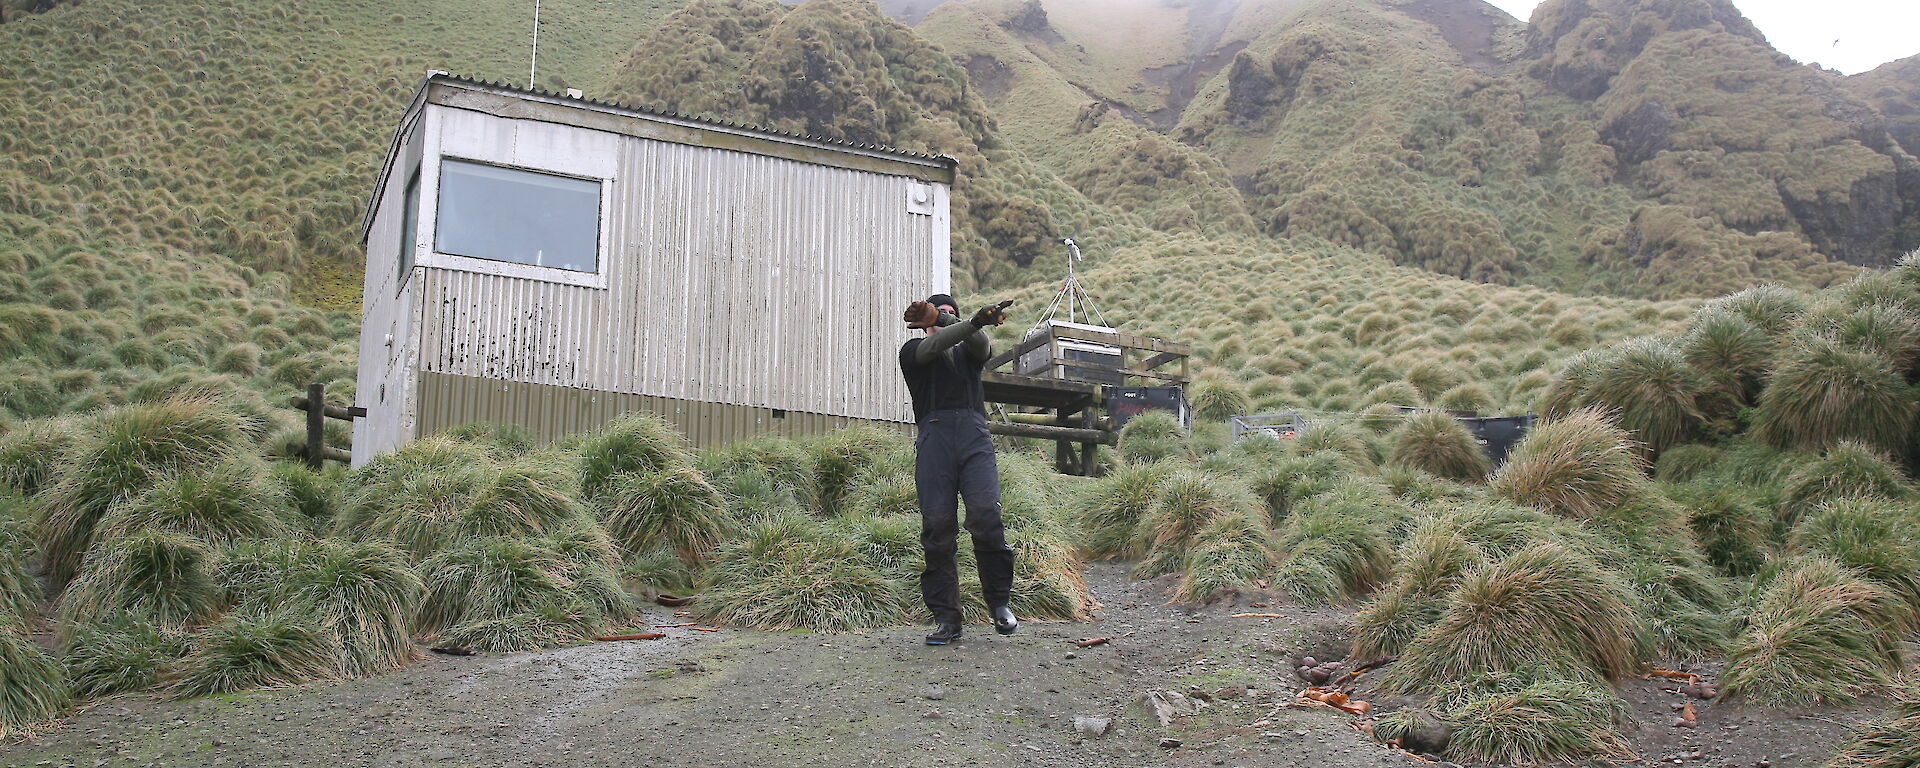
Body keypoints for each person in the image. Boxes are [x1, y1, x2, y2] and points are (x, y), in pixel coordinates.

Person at [899, 294, 1017, 645]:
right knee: (937, 526)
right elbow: (933, 346)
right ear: (923, 323)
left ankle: (999, 603)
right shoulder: (912, 351)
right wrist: (961, 321)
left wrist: (964, 321)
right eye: (938, 314)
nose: (944, 320)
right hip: (934, 437)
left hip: (973, 435)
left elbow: (979, 341)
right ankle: (947, 619)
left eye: (953, 316)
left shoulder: (972, 351)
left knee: (985, 514)